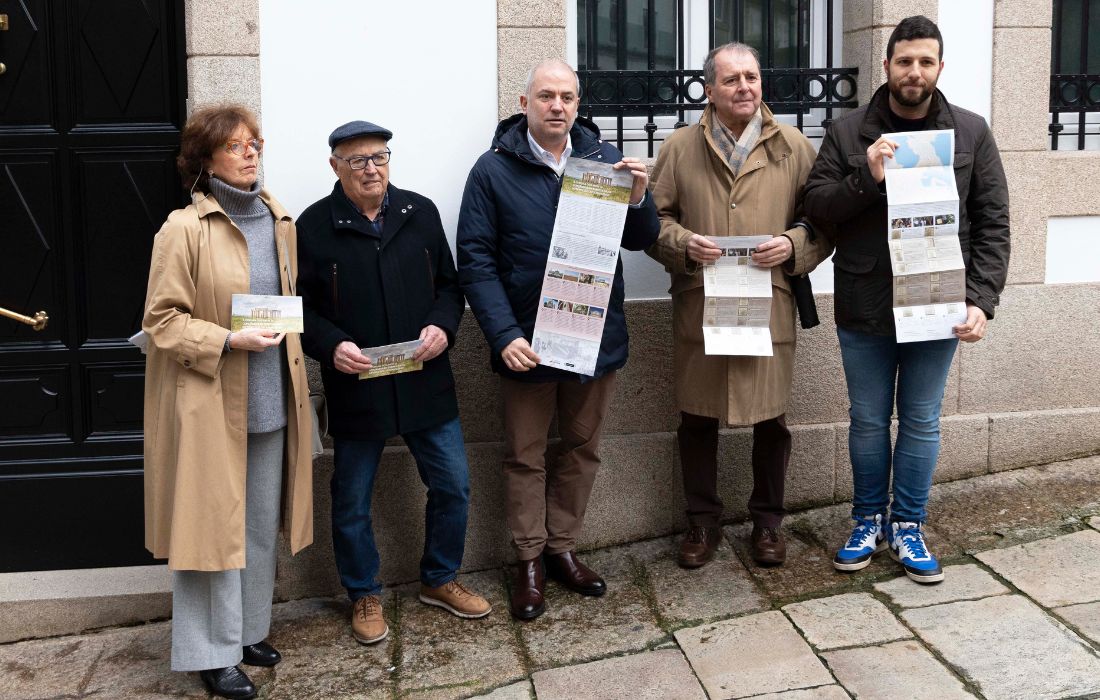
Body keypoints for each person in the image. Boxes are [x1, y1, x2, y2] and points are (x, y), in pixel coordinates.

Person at [802, 15, 1010, 583]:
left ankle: (909, 526)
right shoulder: (848, 133)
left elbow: (993, 223)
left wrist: (981, 300)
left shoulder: (971, 132)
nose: (914, 71)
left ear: (940, 68)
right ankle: (867, 520)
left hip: (938, 304)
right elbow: (816, 206)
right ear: (887, 65)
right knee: (868, 420)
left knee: (921, 420)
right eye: (904, 61)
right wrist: (866, 176)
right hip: (865, 302)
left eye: (925, 61)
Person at [457, 58, 659, 620]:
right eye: (546, 96)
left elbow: (642, 238)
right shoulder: (492, 170)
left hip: (593, 337)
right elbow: (474, 260)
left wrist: (639, 197)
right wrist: (503, 335)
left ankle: (562, 549)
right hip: (527, 343)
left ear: (577, 104)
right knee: (524, 456)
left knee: (581, 448)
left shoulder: (603, 160)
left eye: (567, 97)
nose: (557, 106)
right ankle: (528, 560)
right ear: (525, 104)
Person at [296, 121, 491, 645]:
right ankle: (363, 592)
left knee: (453, 484)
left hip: (424, 378)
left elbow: (450, 286)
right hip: (358, 385)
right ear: (335, 166)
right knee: (351, 499)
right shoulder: (312, 227)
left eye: (379, 157)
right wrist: (331, 345)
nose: (371, 169)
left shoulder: (419, 212)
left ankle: (440, 578)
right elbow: (301, 309)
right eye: (357, 160)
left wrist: (442, 327)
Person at [142, 104, 313, 700]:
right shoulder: (183, 229)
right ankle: (209, 655)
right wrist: (226, 340)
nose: (250, 153)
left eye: (254, 143)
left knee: (259, 526)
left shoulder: (278, 219)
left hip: (271, 398)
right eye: (236, 146)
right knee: (210, 532)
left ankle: (245, 633)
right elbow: (162, 321)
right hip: (210, 402)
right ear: (206, 160)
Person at [646, 43, 831, 570]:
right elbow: (651, 223)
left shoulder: (793, 146)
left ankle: (768, 522)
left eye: (751, 76)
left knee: (771, 419)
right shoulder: (680, 147)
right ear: (709, 90)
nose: (744, 87)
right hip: (701, 305)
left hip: (767, 305)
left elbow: (823, 223)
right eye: (731, 79)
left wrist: (793, 245)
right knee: (697, 419)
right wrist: (684, 244)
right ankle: (702, 522)